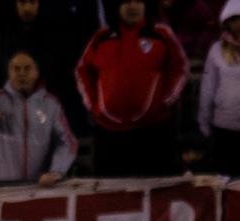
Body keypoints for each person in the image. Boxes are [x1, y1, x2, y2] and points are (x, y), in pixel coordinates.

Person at [76, 0, 189, 177]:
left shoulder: (161, 34)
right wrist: (93, 104)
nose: (132, 7)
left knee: (155, 190)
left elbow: (180, 67)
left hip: (153, 131)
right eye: (125, 2)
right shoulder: (102, 37)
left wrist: (166, 100)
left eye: (137, 1)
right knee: (111, 194)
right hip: (109, 134)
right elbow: (82, 70)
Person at [0, 50, 77, 185]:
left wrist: (56, 172)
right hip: (1, 187)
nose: (22, 73)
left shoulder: (51, 104)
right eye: (16, 69)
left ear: (36, 72)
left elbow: (68, 142)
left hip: (38, 187)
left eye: (27, 68)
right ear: (9, 73)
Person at [197, 0, 240, 177]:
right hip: (224, 128)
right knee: (224, 178)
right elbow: (208, 88)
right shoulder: (216, 50)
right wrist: (204, 123)